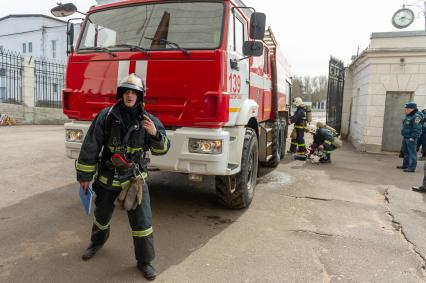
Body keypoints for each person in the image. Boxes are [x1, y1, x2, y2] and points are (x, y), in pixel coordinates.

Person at [75, 73, 170, 280]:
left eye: (134, 92)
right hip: (107, 178)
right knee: (101, 216)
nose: (129, 96)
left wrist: (155, 134)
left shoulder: (149, 121)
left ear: (140, 96)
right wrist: (84, 176)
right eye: (126, 92)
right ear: (121, 94)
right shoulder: (106, 116)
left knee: (142, 224)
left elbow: (163, 149)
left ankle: (145, 262)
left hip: (135, 180)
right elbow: (91, 146)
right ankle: (97, 243)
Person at [397, 101, 422, 173]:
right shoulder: (409, 115)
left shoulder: (416, 116)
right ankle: (405, 165)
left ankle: (412, 167)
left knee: (412, 152)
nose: (405, 110)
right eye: (406, 108)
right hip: (406, 136)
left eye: (407, 108)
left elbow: (417, 128)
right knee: (406, 151)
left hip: (411, 138)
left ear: (412, 109)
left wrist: (413, 137)